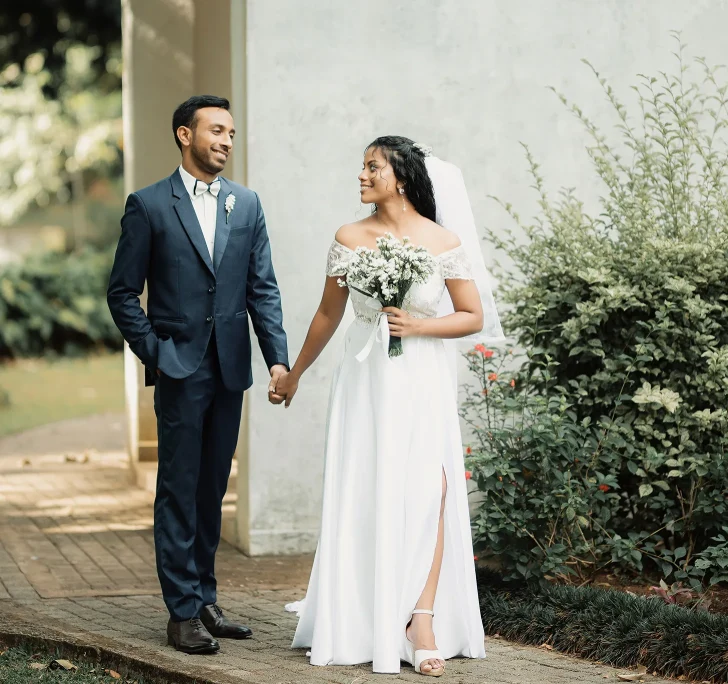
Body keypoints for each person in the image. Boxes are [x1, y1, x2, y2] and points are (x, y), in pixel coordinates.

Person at [276, 136, 503, 676]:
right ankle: (361, 617)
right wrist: (295, 373)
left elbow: (471, 315)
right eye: (362, 166)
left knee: (432, 489)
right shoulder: (349, 237)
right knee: (367, 485)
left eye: (371, 166)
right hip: (366, 378)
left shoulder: (441, 240)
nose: (361, 174)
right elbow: (328, 314)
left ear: (400, 176)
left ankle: (421, 619)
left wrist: (418, 325)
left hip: (422, 378)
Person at [106, 95, 289, 655]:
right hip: (180, 369)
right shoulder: (148, 205)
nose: (227, 141)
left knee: (212, 488)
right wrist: (155, 352)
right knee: (178, 489)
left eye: (230, 132)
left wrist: (277, 359)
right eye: (216, 130)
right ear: (185, 135)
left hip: (230, 368)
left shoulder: (246, 204)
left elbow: (262, 289)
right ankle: (181, 611)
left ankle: (205, 597)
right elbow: (122, 293)